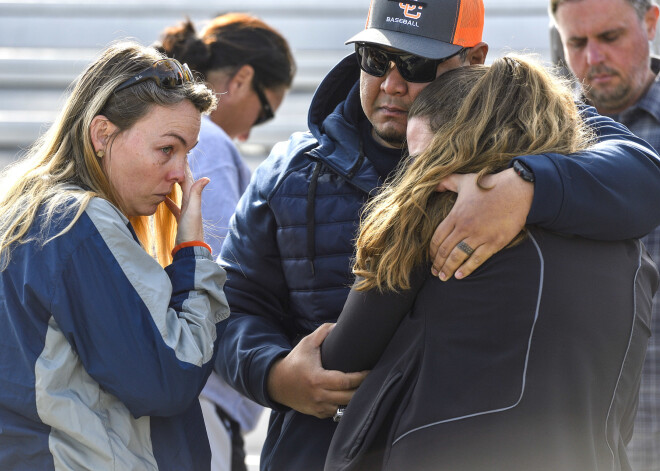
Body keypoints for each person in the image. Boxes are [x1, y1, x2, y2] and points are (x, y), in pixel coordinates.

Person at [216, 0, 660, 469]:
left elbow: (646, 175)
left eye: (417, 63)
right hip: (318, 451)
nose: (391, 83)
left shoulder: (541, 130)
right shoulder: (289, 172)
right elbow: (232, 304)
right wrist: (275, 374)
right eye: (375, 58)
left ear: (473, 58)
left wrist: (526, 186)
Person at [322, 55, 659, 471]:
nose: (414, 175)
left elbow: (344, 357)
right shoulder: (628, 250)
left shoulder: (432, 215)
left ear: (462, 145)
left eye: (424, 159)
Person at [0, 41, 229, 470]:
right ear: (102, 134)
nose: (180, 173)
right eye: (167, 148)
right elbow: (169, 377)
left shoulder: (29, 210)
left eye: (187, 153)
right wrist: (194, 257)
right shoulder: (80, 223)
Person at [156, 14, 296, 471]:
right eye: (267, 109)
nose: (256, 128)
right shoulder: (208, 140)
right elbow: (207, 275)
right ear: (241, 79)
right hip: (200, 398)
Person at [551, 1, 660, 468]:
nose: (593, 58)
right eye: (576, 42)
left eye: (610, 37)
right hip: (569, 439)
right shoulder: (539, 139)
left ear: (651, 21)